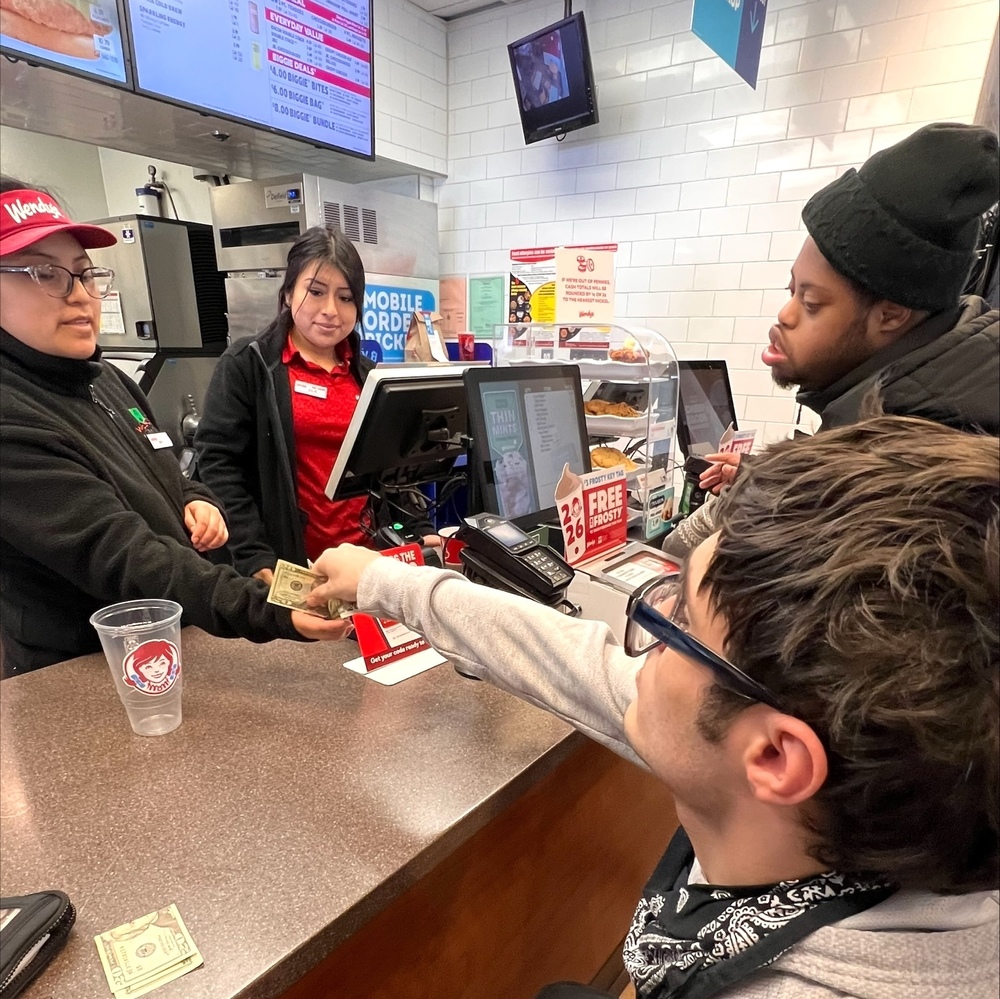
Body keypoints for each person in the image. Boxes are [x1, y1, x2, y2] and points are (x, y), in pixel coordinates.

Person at [308, 416, 999, 999]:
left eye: (683, 626)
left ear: (775, 756)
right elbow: (576, 661)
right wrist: (385, 579)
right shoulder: (878, 805)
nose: (646, 632)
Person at [0, 179, 349, 677]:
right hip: (79, 679)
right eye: (45, 273)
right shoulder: (11, 419)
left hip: (168, 644)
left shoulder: (108, 381)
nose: (80, 297)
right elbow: (125, 555)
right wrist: (268, 604)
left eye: (84, 274)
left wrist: (196, 498)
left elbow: (172, 474)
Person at [667, 121, 999, 558]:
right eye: (791, 292)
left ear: (891, 315)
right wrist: (761, 476)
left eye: (811, 304)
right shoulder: (925, 391)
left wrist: (778, 494)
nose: (784, 316)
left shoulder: (925, 474)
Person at [194, 226, 375, 586]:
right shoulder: (250, 364)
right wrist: (253, 554)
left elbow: (390, 472)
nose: (330, 311)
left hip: (364, 564)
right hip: (291, 566)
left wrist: (415, 529)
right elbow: (219, 466)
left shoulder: (366, 376)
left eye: (346, 297)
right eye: (316, 292)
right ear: (290, 292)